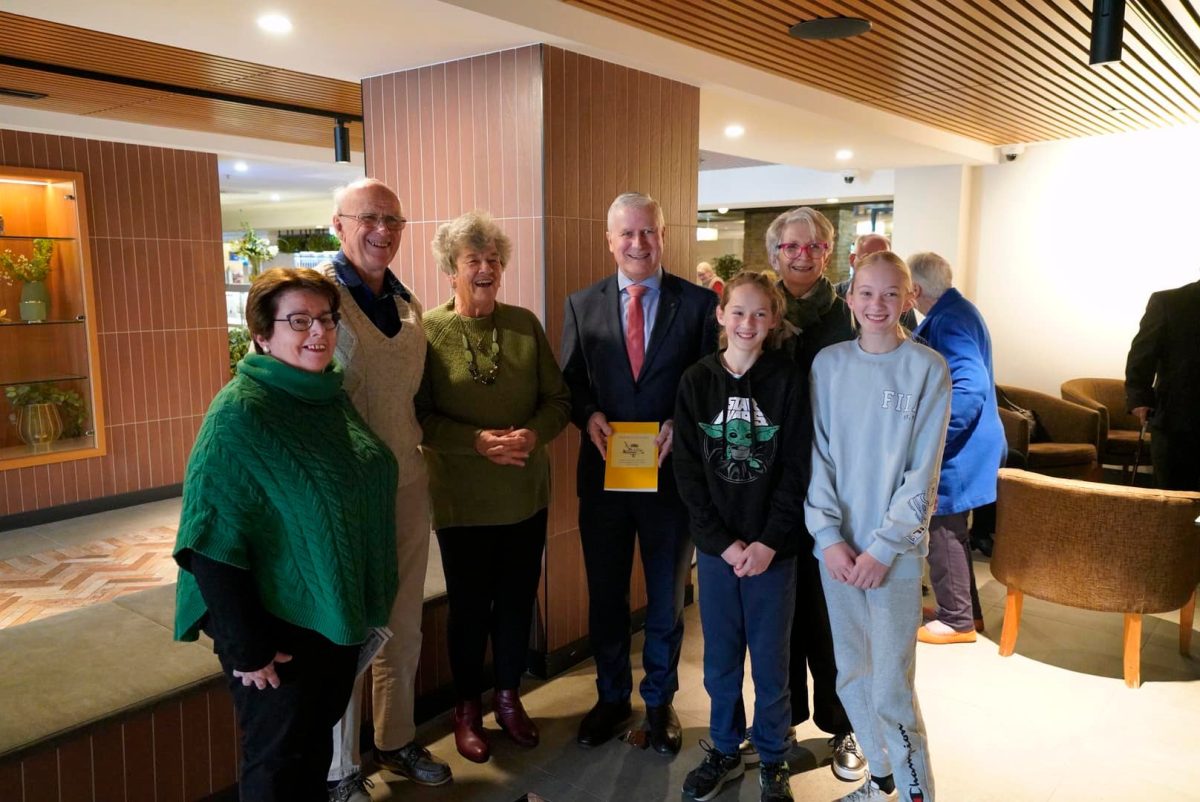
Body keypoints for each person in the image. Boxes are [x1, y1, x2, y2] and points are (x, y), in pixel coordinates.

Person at [172, 268, 400, 802]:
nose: (318, 333)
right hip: (274, 632)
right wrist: (247, 649)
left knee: (310, 756)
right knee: (278, 767)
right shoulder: (239, 413)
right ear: (261, 333)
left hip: (329, 610)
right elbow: (209, 541)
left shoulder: (325, 396)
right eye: (299, 321)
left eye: (325, 319)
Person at [561, 192, 718, 754]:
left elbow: (710, 385)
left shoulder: (700, 306)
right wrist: (589, 414)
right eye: (626, 234)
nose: (638, 243)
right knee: (605, 593)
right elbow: (572, 380)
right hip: (604, 476)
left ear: (663, 234)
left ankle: (659, 703)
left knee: (665, 598)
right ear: (609, 240)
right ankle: (609, 697)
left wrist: (683, 420)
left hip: (670, 477)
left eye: (648, 232)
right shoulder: (582, 304)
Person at [416, 211, 571, 763]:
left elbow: (559, 400)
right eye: (472, 261)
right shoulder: (428, 332)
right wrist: (476, 442)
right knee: (468, 609)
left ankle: (508, 699)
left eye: (493, 260)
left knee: (514, 604)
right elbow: (421, 416)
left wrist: (533, 433)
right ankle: (466, 709)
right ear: (450, 269)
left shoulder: (524, 324)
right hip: (462, 502)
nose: (485, 269)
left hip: (525, 497)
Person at [806, 251, 950, 802]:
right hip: (838, 553)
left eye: (891, 294)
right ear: (849, 298)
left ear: (909, 299)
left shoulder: (926, 369)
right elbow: (818, 458)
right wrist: (829, 539)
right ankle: (881, 777)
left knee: (891, 685)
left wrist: (882, 549)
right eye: (866, 293)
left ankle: (916, 793)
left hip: (892, 556)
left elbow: (923, 473)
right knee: (851, 676)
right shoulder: (829, 365)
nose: (877, 304)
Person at [325, 178, 451, 800]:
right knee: (345, 629)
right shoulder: (320, 299)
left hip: (405, 482)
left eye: (395, 221)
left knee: (403, 624)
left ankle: (395, 739)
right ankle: (338, 769)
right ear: (338, 224)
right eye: (369, 218)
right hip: (342, 496)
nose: (384, 230)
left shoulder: (408, 303)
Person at [673, 272, 805, 802]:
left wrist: (769, 541)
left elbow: (797, 467)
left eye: (759, 313)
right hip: (719, 551)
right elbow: (687, 471)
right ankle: (725, 746)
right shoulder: (696, 382)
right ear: (720, 314)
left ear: (773, 320)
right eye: (738, 311)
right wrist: (722, 544)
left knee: (772, 661)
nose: (748, 323)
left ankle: (773, 755)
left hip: (775, 552)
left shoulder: (789, 381)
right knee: (722, 659)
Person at [765, 206, 864, 782]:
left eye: (814, 246)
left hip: (839, 488)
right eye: (791, 246)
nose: (802, 255)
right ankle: (784, 723)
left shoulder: (850, 314)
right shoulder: (761, 310)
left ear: (830, 252)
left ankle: (845, 722)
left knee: (835, 617)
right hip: (775, 487)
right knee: (783, 615)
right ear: (776, 253)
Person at [909, 252, 1006, 645]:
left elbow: (970, 386)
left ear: (914, 289)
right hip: (970, 445)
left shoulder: (948, 320)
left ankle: (957, 620)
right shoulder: (958, 310)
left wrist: (936, 441)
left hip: (959, 450)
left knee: (943, 527)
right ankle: (966, 611)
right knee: (951, 530)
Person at [1125, 278, 1200, 490]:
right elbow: (1142, 354)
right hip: (1178, 418)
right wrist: (1139, 398)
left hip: (1178, 417)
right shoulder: (1169, 302)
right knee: (1174, 498)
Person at [835, 233, 916, 330]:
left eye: (885, 258)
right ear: (852, 260)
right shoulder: (834, 297)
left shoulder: (900, 300)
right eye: (867, 258)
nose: (877, 264)